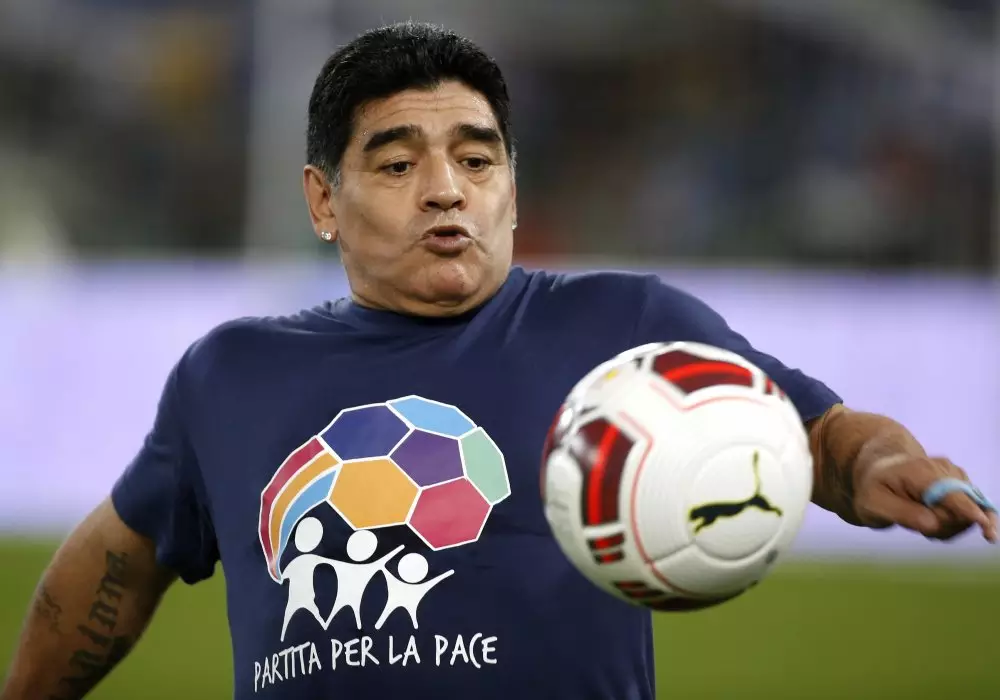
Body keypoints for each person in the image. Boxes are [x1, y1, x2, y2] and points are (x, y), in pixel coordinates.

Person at [3, 21, 995, 700]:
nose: (446, 189)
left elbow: (818, 434)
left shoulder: (630, 328)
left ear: (512, 187)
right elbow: (116, 564)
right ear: (322, 199)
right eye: (398, 163)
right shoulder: (229, 373)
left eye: (477, 160)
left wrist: (880, 463)